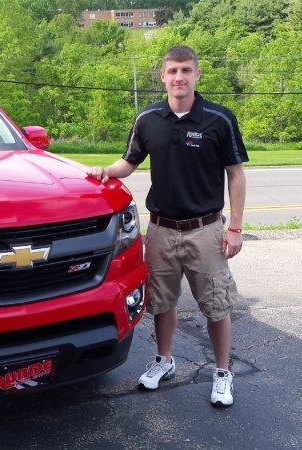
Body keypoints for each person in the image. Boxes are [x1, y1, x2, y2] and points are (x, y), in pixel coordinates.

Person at [87, 45, 248, 407]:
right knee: (162, 302)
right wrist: (104, 171)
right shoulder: (148, 119)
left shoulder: (218, 119)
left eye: (186, 70)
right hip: (160, 230)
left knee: (216, 305)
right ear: (162, 76)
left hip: (205, 230)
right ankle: (164, 360)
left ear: (197, 75)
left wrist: (235, 228)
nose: (179, 77)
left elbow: (235, 174)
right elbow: (129, 162)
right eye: (173, 71)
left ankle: (223, 373)